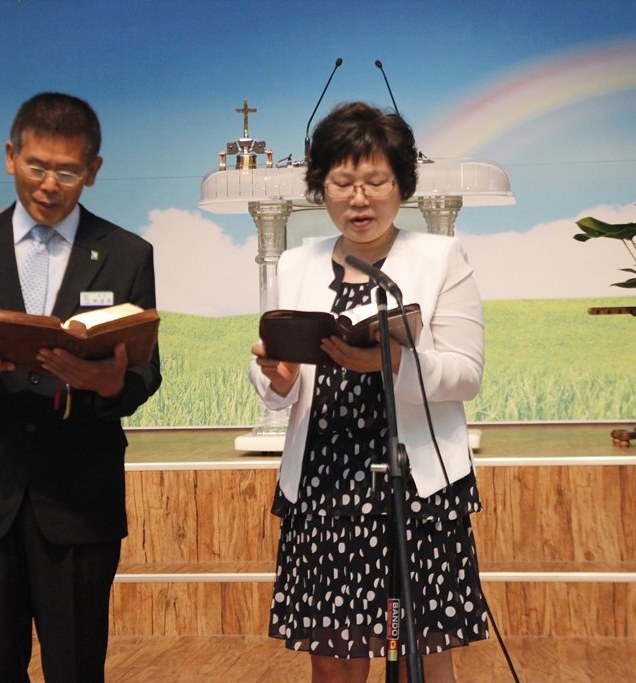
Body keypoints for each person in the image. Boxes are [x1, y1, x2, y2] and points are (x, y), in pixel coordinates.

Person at [0, 92, 161, 683]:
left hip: (79, 496)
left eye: (67, 172)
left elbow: (145, 371)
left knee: (76, 667)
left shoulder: (127, 254)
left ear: (93, 171)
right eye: (36, 167)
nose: (50, 185)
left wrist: (110, 383)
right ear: (11, 157)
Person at [249, 102, 488, 683]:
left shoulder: (439, 257)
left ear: (402, 185)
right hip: (324, 486)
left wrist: (391, 363)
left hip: (414, 486)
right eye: (342, 182)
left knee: (417, 658)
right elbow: (275, 365)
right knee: (334, 659)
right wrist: (275, 380)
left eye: (376, 181)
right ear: (321, 188)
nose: (359, 199)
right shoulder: (295, 264)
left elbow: (466, 373)